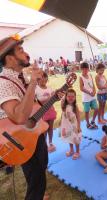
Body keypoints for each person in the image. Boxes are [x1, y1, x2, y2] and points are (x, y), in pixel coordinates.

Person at [0, 35, 64, 199]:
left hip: (34, 135)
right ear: (10, 58)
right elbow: (20, 118)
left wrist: (53, 99)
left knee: (41, 170)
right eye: (20, 50)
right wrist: (34, 82)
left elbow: (31, 109)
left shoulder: (20, 79)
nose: (26, 53)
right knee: (36, 185)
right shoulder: (4, 83)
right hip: (19, 140)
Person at [35, 71, 57, 153]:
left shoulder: (49, 88)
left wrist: (56, 96)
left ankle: (50, 142)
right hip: (42, 113)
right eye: (41, 77)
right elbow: (36, 102)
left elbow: (53, 100)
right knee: (44, 129)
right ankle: (44, 145)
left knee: (50, 128)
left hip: (51, 110)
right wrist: (49, 98)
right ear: (38, 79)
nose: (43, 79)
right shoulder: (36, 89)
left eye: (45, 77)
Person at [60, 88, 82, 160]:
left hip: (74, 126)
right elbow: (61, 99)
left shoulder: (75, 107)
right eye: (69, 96)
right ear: (66, 97)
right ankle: (71, 150)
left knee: (76, 139)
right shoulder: (64, 106)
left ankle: (77, 152)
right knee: (69, 138)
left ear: (75, 97)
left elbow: (78, 118)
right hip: (67, 126)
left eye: (72, 96)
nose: (71, 98)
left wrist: (78, 126)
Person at [79, 62, 98, 129]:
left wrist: (94, 91)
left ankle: (92, 121)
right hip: (86, 98)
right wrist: (89, 92)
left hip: (93, 97)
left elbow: (93, 84)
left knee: (96, 109)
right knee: (87, 111)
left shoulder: (90, 75)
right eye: (84, 69)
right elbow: (81, 88)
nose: (85, 70)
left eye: (87, 69)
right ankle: (87, 123)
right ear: (81, 69)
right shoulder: (81, 77)